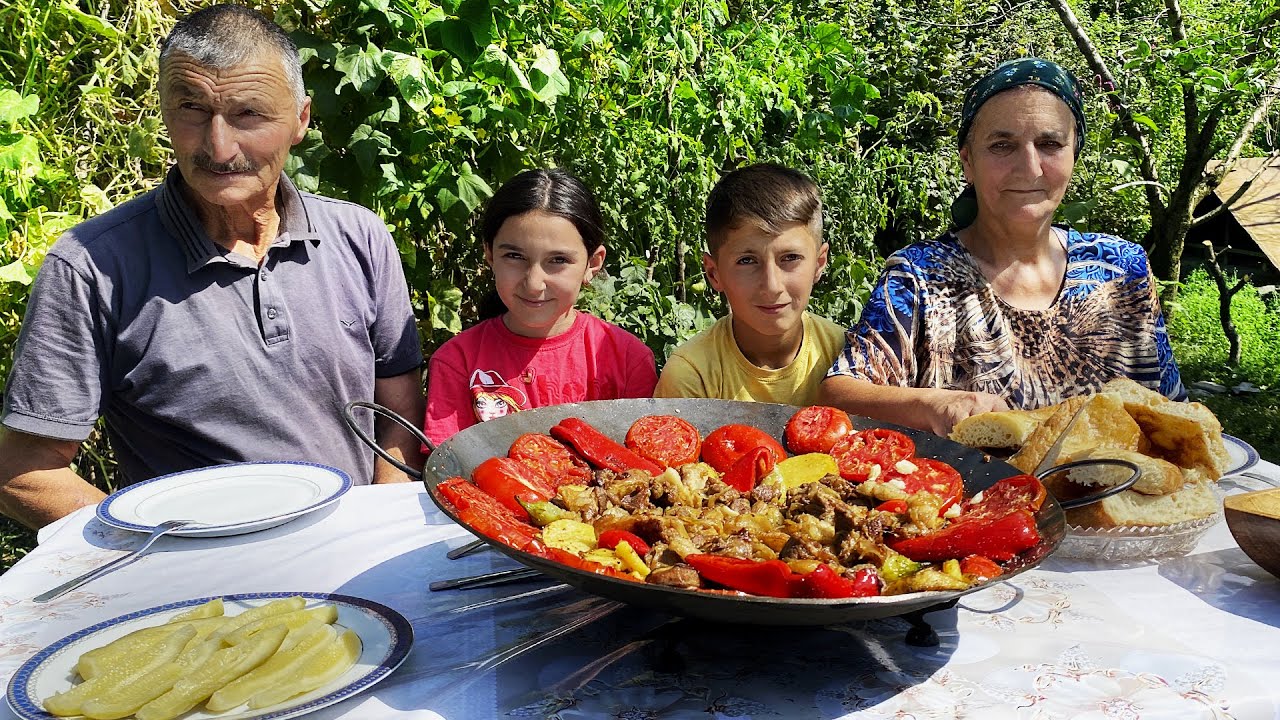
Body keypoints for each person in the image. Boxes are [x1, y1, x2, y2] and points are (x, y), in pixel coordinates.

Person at [0, 5, 425, 530]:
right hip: (207, 594)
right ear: (163, 111)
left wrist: (378, 526)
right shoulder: (93, 266)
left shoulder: (359, 237)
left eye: (248, 115)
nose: (219, 147)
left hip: (355, 557)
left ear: (301, 119)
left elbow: (398, 415)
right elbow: (23, 471)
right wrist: (165, 551)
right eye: (192, 109)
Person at [821, 58, 1186, 436]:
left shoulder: (1123, 267)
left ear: (1074, 152)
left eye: (1049, 144)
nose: (1029, 167)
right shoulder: (920, 276)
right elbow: (838, 395)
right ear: (968, 162)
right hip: (979, 493)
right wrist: (936, 403)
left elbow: (1171, 411)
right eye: (1002, 145)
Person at [424, 169, 657, 446]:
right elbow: (450, 469)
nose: (534, 284)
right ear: (489, 254)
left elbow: (643, 470)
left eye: (557, 260)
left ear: (593, 264)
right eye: (514, 256)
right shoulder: (456, 363)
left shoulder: (627, 360)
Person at [654, 163, 846, 405]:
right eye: (747, 261)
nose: (772, 285)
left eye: (790, 258)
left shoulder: (845, 357)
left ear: (819, 263)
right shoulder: (693, 374)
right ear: (714, 273)